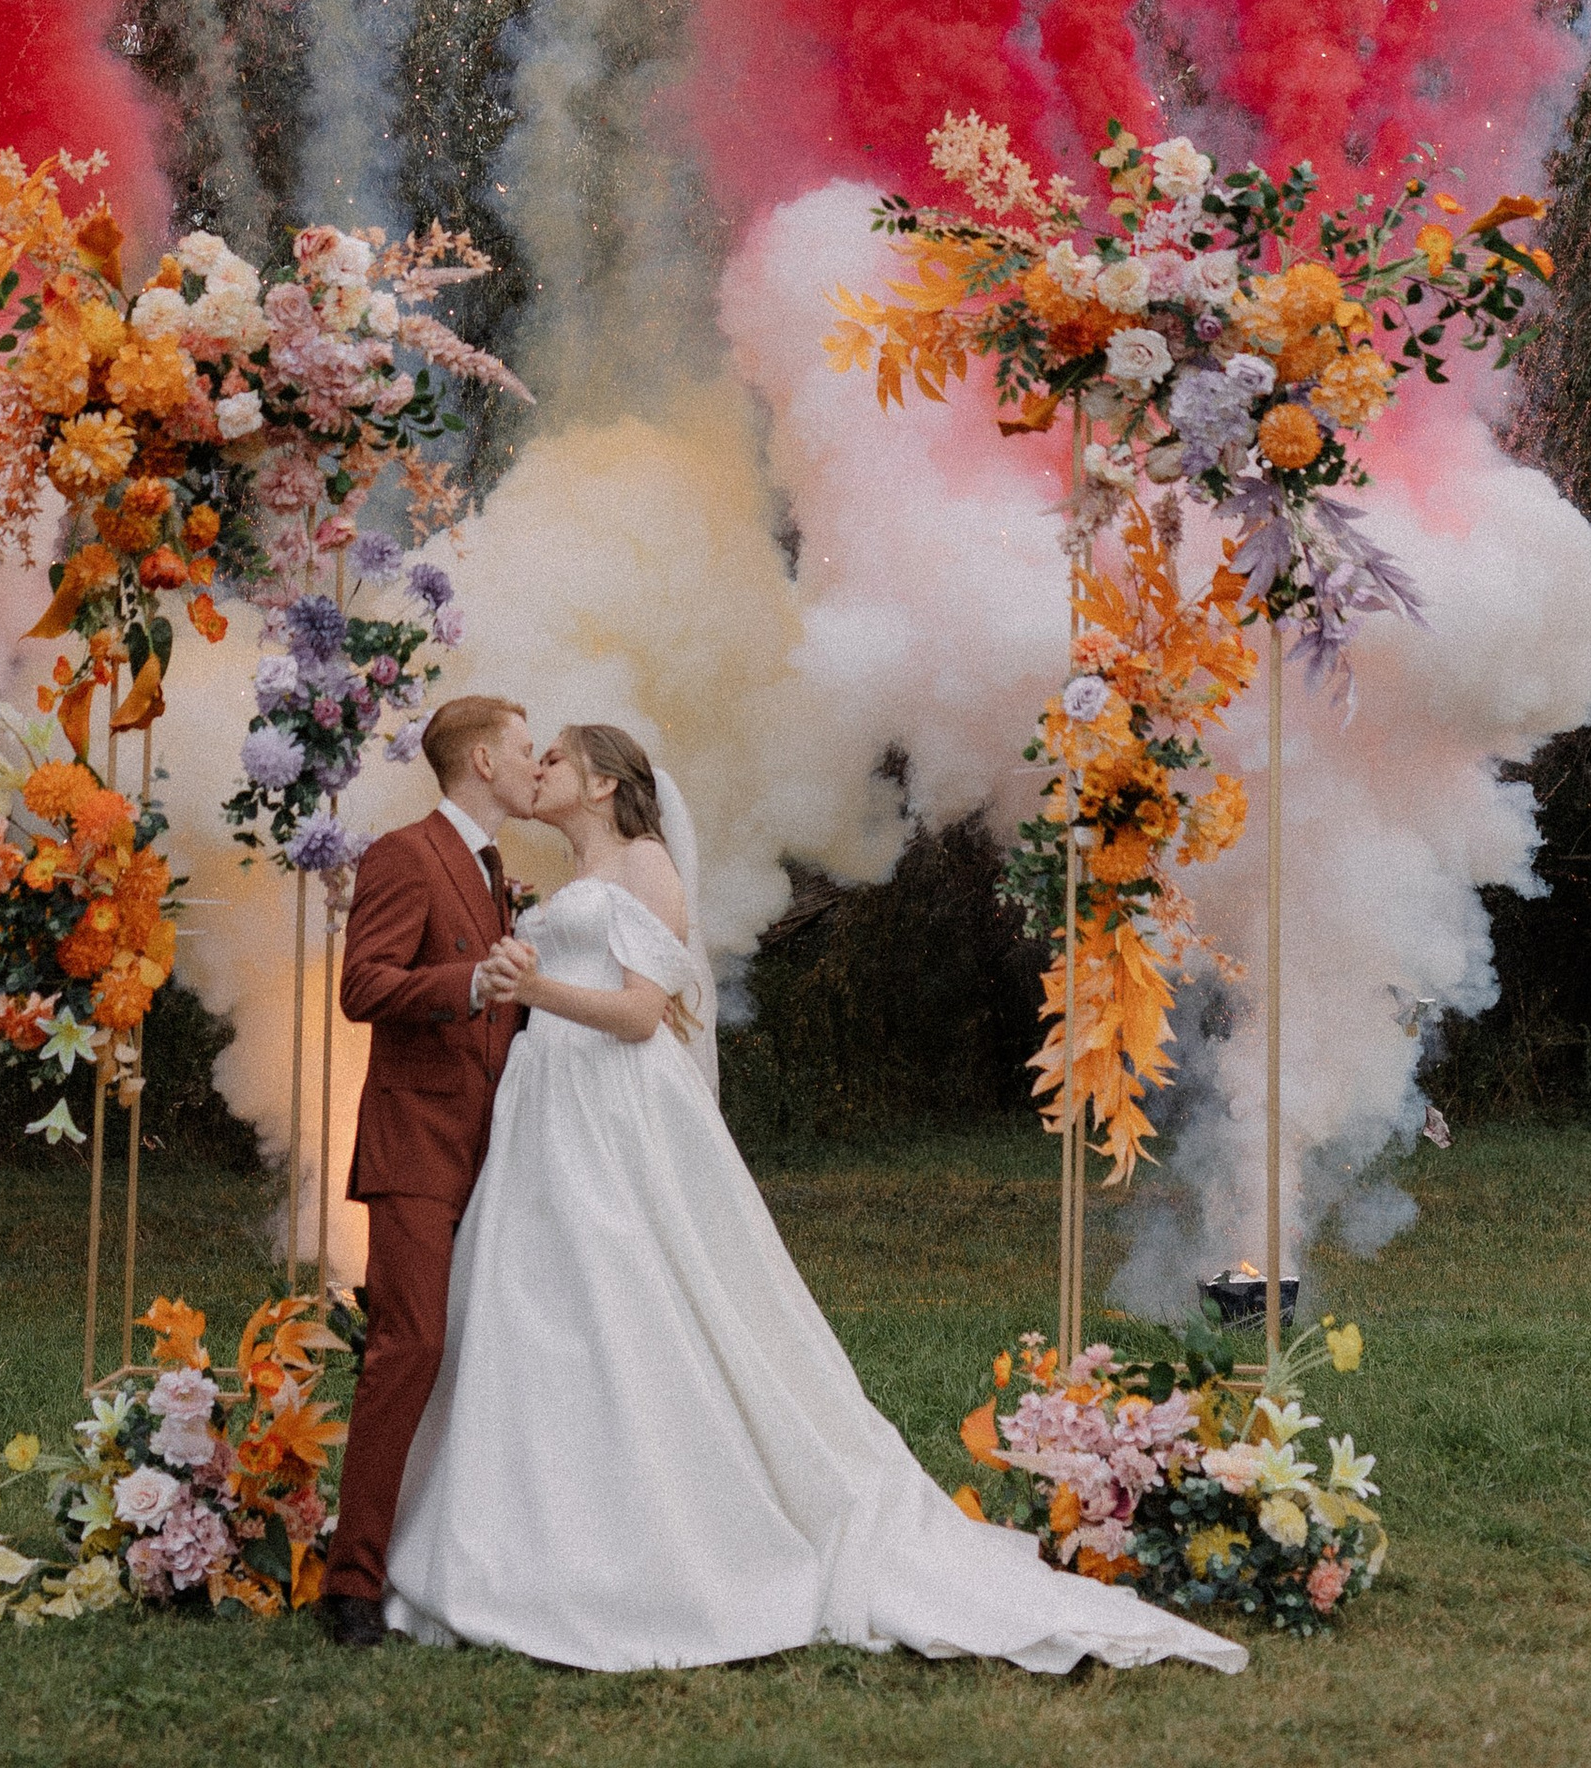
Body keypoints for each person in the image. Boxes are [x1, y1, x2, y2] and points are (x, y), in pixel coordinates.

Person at [378, 722, 1247, 1679]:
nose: (535, 769)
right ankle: (523, 1534)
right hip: (548, 1107)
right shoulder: (555, 882)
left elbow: (635, 1016)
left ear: (597, 783)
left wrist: (535, 988)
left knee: (630, 1293)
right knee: (534, 1305)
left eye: (553, 760)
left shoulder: (647, 866)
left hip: (614, 1109)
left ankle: (652, 1537)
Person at [318, 689, 540, 1648]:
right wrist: (467, 983)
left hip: (494, 1148)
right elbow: (362, 985)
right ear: (483, 761)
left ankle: (452, 1556)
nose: (539, 766)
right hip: (415, 1147)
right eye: (528, 750)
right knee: (409, 1348)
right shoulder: (404, 854)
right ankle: (351, 1584)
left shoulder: (496, 872)